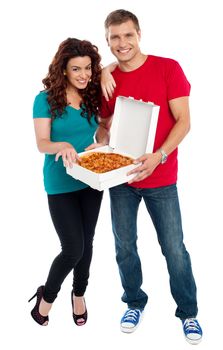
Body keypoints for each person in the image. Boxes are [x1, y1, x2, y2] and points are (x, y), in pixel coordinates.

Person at [96, 9, 203, 344]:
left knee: (174, 248)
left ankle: (188, 312)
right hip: (121, 179)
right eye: (115, 37)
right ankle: (134, 302)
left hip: (161, 177)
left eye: (128, 35)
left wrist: (159, 156)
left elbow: (184, 121)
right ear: (108, 40)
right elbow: (102, 131)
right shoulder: (108, 80)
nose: (122, 43)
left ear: (139, 33)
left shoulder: (168, 68)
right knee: (124, 246)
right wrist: (104, 131)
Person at [29, 38, 105, 326]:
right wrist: (60, 145)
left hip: (91, 179)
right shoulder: (45, 99)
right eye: (76, 69)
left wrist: (100, 144)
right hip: (60, 183)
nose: (84, 74)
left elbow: (102, 134)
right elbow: (41, 143)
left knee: (88, 243)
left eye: (88, 68)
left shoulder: (93, 95)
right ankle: (46, 297)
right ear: (63, 70)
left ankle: (79, 294)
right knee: (73, 248)